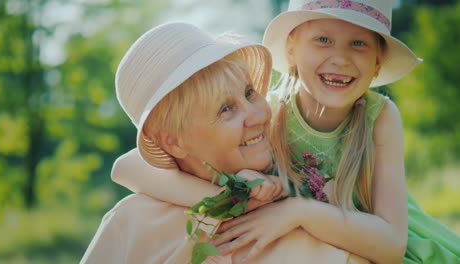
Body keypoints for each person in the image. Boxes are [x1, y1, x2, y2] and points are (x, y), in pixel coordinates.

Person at [112, 1, 460, 263]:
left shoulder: (379, 116)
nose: (339, 58)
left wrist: (296, 210)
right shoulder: (269, 111)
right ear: (291, 47)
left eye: (359, 44)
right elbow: (125, 168)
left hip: (383, 239)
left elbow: (391, 244)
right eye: (323, 39)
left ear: (377, 63)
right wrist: (235, 191)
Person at [81, 22, 284, 263]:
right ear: (173, 142)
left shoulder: (303, 197)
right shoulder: (131, 224)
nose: (259, 116)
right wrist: (226, 198)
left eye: (249, 92)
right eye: (226, 109)